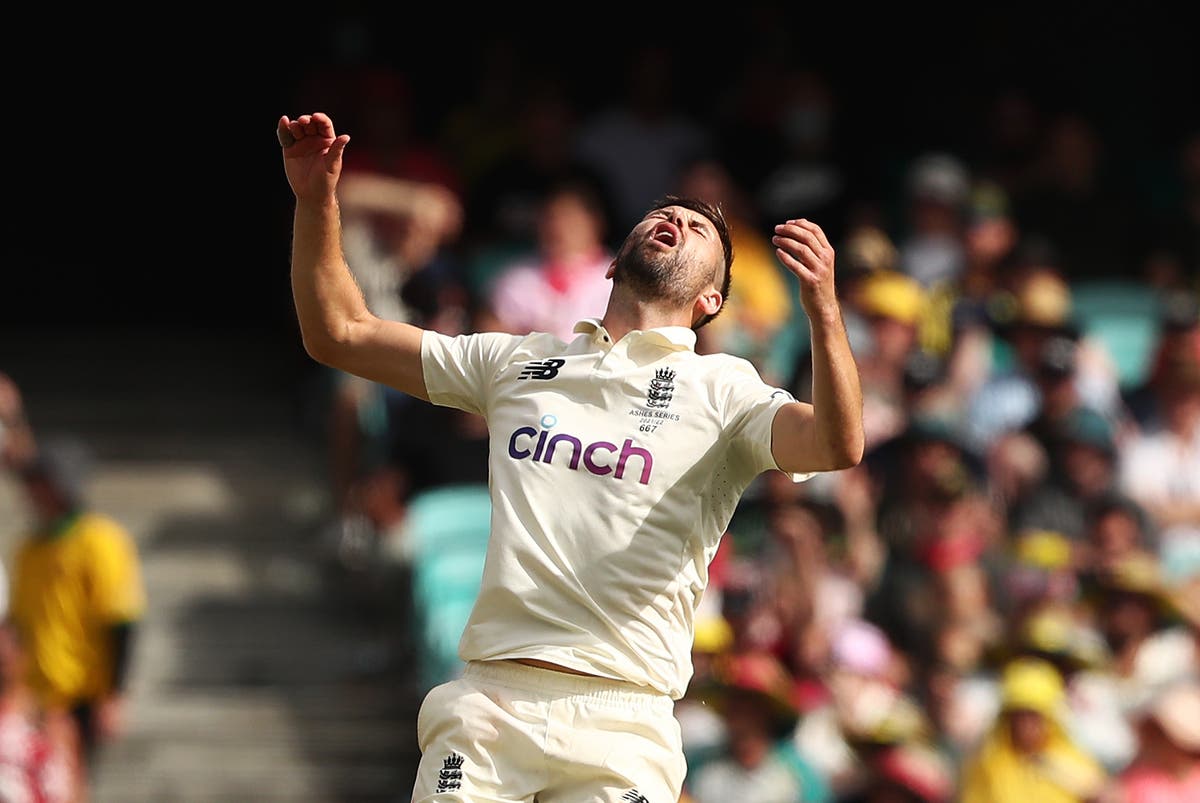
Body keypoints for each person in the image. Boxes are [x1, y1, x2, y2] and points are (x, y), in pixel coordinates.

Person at [278, 111, 864, 803]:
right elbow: (339, 333)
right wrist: (316, 202)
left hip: (623, 720)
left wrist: (824, 309)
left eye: (699, 228)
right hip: (492, 705)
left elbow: (836, 443)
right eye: (662, 215)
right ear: (614, 262)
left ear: (711, 299)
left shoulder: (727, 391)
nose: (673, 221)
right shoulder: (520, 361)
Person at [8, 438, 145, 790]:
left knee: (70, 786)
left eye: (38, 481)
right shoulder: (28, 549)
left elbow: (122, 621)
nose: (30, 492)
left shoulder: (99, 541)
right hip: (33, 696)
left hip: (81, 694)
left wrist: (113, 695)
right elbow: (16, 626)